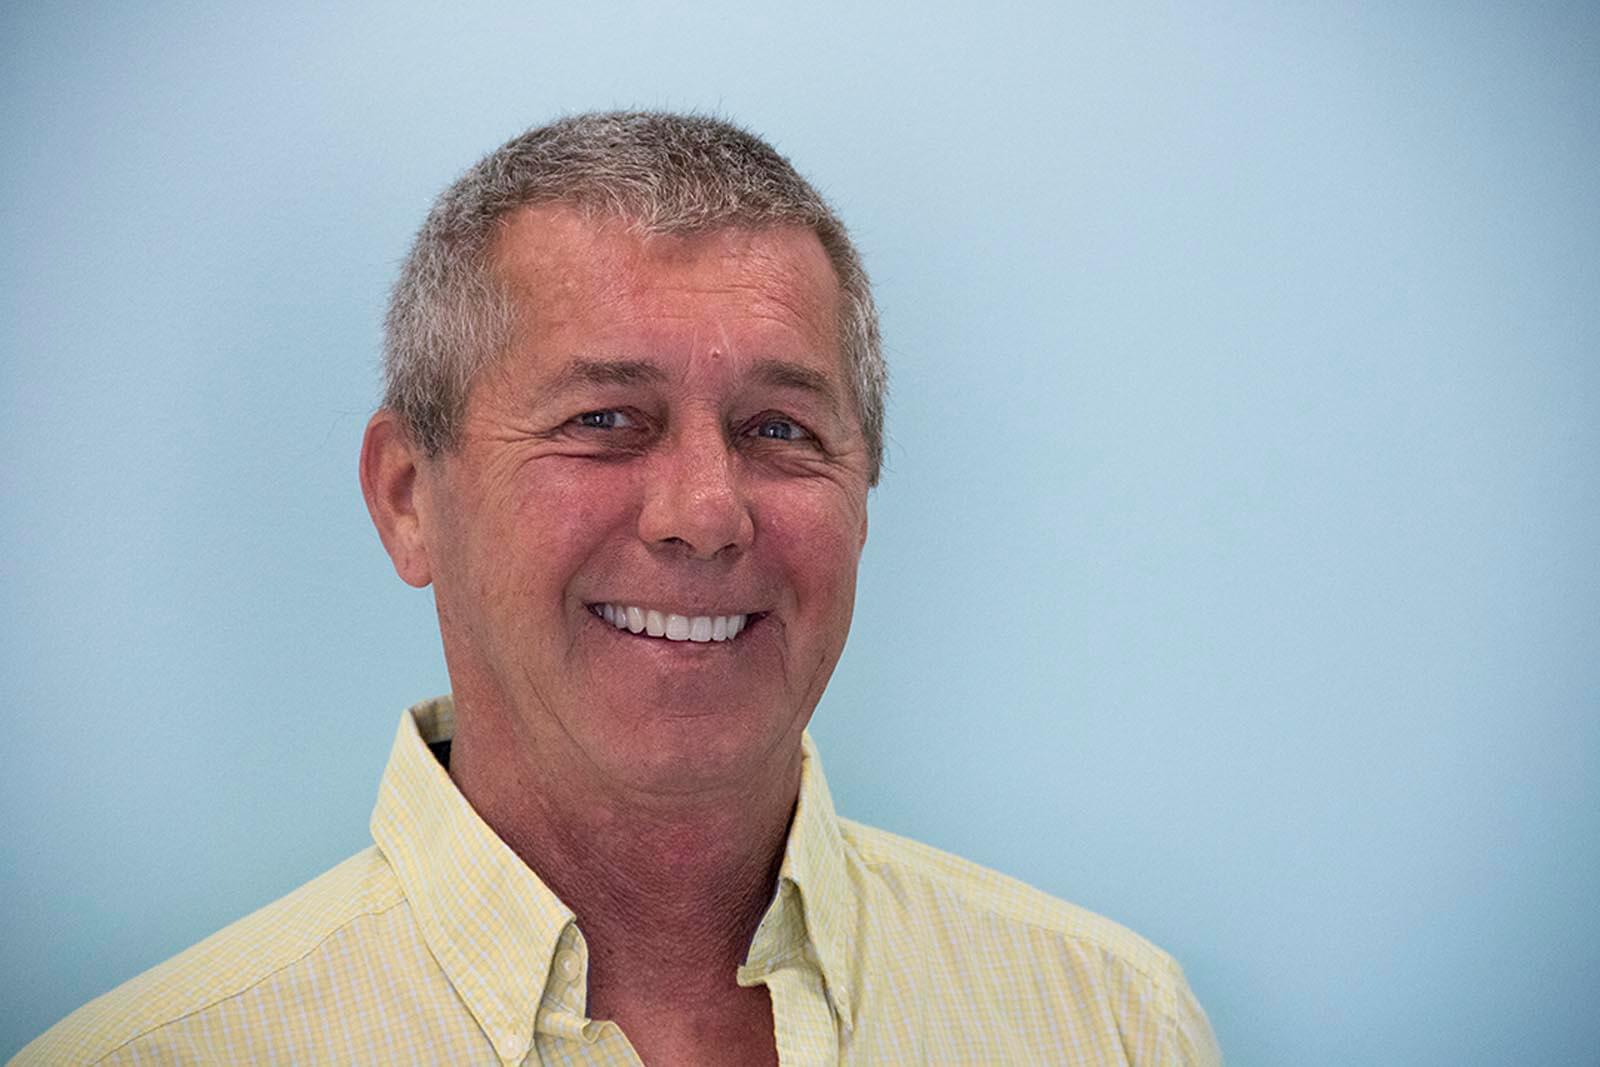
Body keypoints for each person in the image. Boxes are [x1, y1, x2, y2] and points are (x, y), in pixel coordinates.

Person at [15, 111, 1221, 1066]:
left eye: (779, 427)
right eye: (604, 419)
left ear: (862, 490)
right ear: (406, 495)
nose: (705, 512)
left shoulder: (1114, 1025)